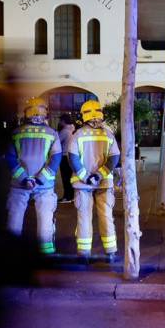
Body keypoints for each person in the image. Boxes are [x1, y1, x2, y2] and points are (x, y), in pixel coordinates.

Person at [5, 97, 62, 254]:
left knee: (15, 217)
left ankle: (11, 251)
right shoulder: (52, 133)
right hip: (44, 185)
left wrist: (24, 178)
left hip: (19, 184)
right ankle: (46, 252)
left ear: (26, 113)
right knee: (45, 218)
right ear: (45, 113)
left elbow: (9, 157)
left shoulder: (16, 133)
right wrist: (40, 179)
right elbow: (55, 158)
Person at [67, 99, 121, 257]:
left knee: (84, 217)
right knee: (106, 216)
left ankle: (84, 253)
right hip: (104, 183)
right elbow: (114, 158)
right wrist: (99, 175)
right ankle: (110, 252)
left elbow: (73, 159)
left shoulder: (77, 135)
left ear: (83, 115)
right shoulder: (108, 134)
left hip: (83, 185)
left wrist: (86, 177)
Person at [57, 115, 76, 203]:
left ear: (64, 121)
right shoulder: (72, 130)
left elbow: (56, 142)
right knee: (69, 177)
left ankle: (67, 197)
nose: (59, 122)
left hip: (64, 156)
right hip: (70, 155)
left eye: (60, 120)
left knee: (65, 177)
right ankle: (71, 196)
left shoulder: (64, 131)